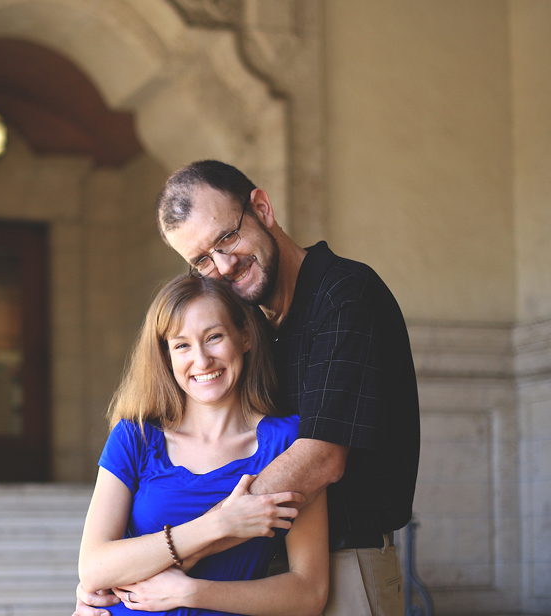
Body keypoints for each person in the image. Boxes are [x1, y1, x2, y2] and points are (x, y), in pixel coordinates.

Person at [77, 160, 419, 616]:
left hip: (345, 561)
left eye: (227, 238)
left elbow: (321, 459)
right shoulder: (253, 318)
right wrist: (124, 571)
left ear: (262, 208)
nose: (223, 265)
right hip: (257, 565)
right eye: (202, 260)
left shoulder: (346, 295)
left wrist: (161, 560)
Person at [78, 274, 329, 616]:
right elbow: (93, 568)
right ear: (166, 356)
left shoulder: (288, 443)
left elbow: (310, 593)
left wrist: (191, 592)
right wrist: (219, 524)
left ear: (244, 337)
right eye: (182, 345)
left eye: (214, 337)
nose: (202, 360)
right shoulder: (135, 436)